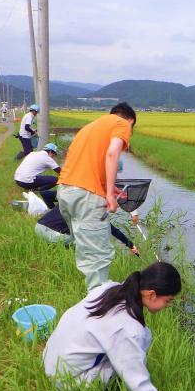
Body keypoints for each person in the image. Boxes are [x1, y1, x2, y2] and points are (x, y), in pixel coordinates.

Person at [42, 262, 183, 391]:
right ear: (151, 294)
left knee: (139, 341)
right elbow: (138, 384)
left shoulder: (111, 288)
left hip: (51, 358)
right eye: (168, 301)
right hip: (64, 381)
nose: (167, 306)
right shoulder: (127, 329)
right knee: (128, 363)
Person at [57, 102, 136, 290]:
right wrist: (109, 194)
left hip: (66, 192)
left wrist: (108, 186)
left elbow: (85, 165)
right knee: (98, 259)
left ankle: (90, 303)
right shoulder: (122, 123)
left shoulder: (88, 128)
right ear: (131, 120)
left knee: (86, 254)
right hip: (87, 197)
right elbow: (112, 153)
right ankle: (97, 312)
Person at [35, 205, 140, 256]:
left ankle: (59, 251)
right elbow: (112, 229)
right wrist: (130, 245)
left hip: (38, 227)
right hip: (51, 234)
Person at [14, 142, 61, 208]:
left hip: (18, 179)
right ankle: (38, 190)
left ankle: (32, 188)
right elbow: (60, 172)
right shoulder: (47, 158)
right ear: (50, 152)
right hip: (26, 181)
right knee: (56, 180)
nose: (53, 156)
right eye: (54, 154)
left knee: (39, 176)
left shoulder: (33, 153)